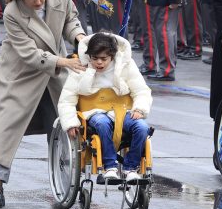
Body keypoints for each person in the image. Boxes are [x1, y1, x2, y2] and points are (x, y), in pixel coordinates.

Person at [0, 0, 85, 208]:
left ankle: (69, 181)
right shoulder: (12, 12)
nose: (39, 1)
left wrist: (80, 37)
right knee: (6, 125)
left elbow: (71, 22)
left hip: (56, 72)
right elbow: (30, 55)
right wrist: (64, 62)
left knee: (67, 124)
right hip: (21, 73)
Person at [57, 32, 153, 183]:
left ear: (113, 56)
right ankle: (110, 167)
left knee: (142, 127)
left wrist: (139, 109)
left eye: (104, 59)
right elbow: (67, 99)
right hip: (93, 111)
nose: (99, 63)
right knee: (102, 123)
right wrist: (70, 123)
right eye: (95, 58)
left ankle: (131, 168)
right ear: (89, 55)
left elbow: (141, 90)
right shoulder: (81, 67)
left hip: (122, 110)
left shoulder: (126, 65)